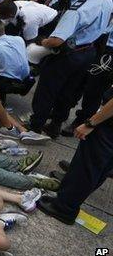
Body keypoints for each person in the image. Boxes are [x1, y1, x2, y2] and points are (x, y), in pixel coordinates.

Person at [29, 0, 113, 137]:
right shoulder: (106, 0)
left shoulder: (76, 10)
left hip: (68, 53)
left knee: (47, 88)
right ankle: (56, 124)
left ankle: (36, 124)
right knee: (69, 91)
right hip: (89, 51)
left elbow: (57, 40)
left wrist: (42, 41)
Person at [37, 95, 113, 224]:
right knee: (100, 168)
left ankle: (64, 207)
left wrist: (91, 123)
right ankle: (67, 203)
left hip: (108, 124)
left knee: (87, 166)